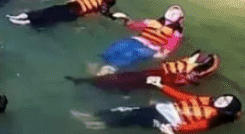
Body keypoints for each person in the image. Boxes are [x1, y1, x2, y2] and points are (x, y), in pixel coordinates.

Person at [77, 75, 241, 133]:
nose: (221, 99)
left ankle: (95, 124)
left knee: (133, 118)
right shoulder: (207, 100)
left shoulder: (211, 119)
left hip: (168, 121)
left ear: (226, 110)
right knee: (127, 110)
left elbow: (191, 128)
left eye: (225, 102)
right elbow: (182, 96)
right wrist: (160, 85)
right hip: (164, 109)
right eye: (224, 97)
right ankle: (94, 116)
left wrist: (173, 129)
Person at [67, 51, 220, 92]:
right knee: (125, 78)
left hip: (157, 78)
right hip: (155, 74)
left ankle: (87, 83)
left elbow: (181, 80)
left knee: (126, 81)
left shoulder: (190, 74)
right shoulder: (189, 67)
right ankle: (88, 82)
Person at [99, 5, 184, 72]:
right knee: (121, 47)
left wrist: (163, 54)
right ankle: (106, 66)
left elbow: (169, 47)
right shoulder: (153, 23)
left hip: (149, 47)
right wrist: (127, 21)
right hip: (140, 43)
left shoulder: (174, 32)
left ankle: (109, 67)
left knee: (127, 51)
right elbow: (133, 25)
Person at [7, 0, 126, 28]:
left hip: (72, 14)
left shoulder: (102, 6)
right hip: (66, 7)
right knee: (46, 12)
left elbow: (107, 15)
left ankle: (23, 22)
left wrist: (116, 17)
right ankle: (19, 17)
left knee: (50, 19)